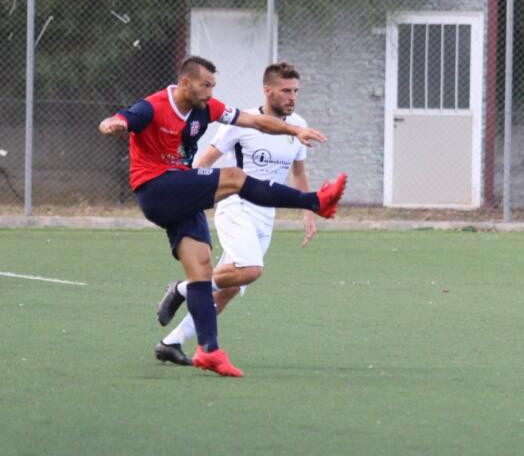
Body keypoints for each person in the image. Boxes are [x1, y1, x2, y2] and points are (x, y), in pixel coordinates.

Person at [99, 56, 347, 376]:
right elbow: (118, 120)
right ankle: (315, 201)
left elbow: (255, 121)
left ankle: (208, 350)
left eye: (213, 86)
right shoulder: (153, 106)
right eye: (206, 85)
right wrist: (111, 124)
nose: (210, 92)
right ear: (186, 83)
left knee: (202, 269)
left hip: (182, 195)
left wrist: (292, 129)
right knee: (233, 177)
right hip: (156, 188)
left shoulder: (209, 108)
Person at [154, 62, 317, 366]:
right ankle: (181, 288)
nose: (292, 97)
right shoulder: (243, 121)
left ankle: (171, 342)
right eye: (286, 91)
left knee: (228, 289)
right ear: (267, 90)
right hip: (235, 205)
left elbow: (298, 171)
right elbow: (208, 156)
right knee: (251, 269)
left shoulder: (298, 125)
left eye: (295, 91)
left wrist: (308, 210)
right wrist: (187, 189)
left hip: (265, 216)